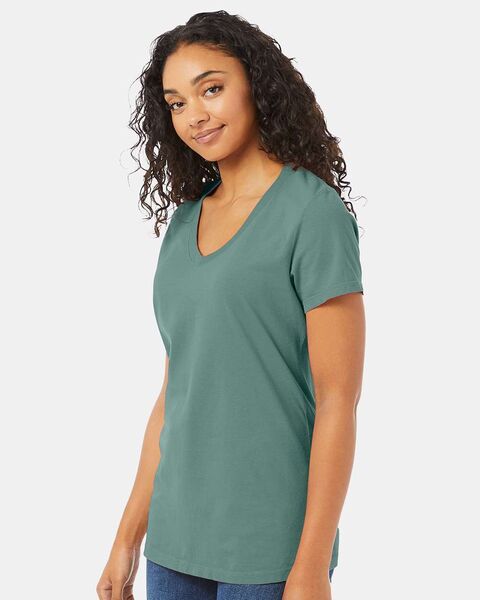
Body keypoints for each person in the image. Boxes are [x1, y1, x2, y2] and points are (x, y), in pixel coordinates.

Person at [97, 10, 366, 600]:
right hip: (175, 541)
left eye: (211, 89)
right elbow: (176, 393)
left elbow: (338, 401)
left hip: (271, 544)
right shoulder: (183, 225)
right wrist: (127, 537)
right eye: (176, 103)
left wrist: (311, 564)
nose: (194, 114)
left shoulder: (312, 213)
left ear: (256, 85)